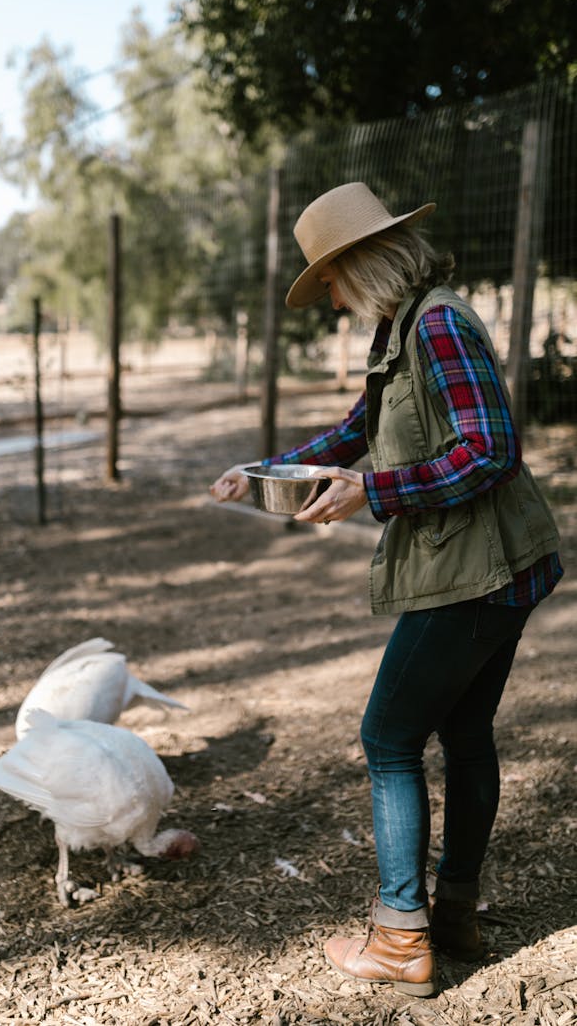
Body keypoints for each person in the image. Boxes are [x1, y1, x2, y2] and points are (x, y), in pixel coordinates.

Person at [210, 182, 562, 998]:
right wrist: (265, 470)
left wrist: (374, 493)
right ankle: (454, 915)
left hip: (479, 571)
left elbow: (490, 450)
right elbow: (361, 429)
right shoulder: (403, 326)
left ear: (363, 263)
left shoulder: (437, 323)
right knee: (466, 731)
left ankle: (402, 937)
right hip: (500, 565)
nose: (329, 296)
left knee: (389, 737)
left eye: (329, 279)